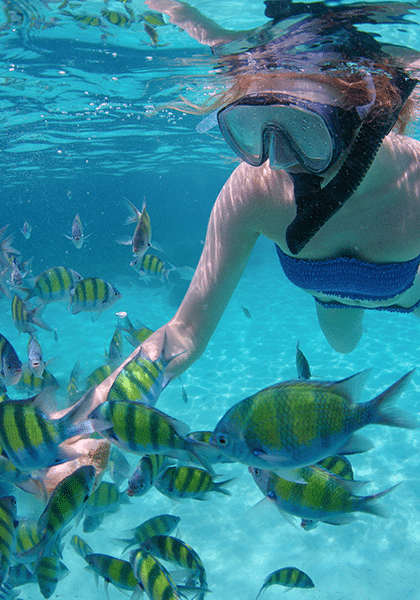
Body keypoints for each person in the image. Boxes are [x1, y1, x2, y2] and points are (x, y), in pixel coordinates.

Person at [131, 0, 420, 381]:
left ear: (366, 120)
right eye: (254, 126)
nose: (279, 159)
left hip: (411, 296)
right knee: (343, 343)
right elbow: (184, 333)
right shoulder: (253, 190)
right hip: (330, 302)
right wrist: (93, 411)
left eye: (304, 129)